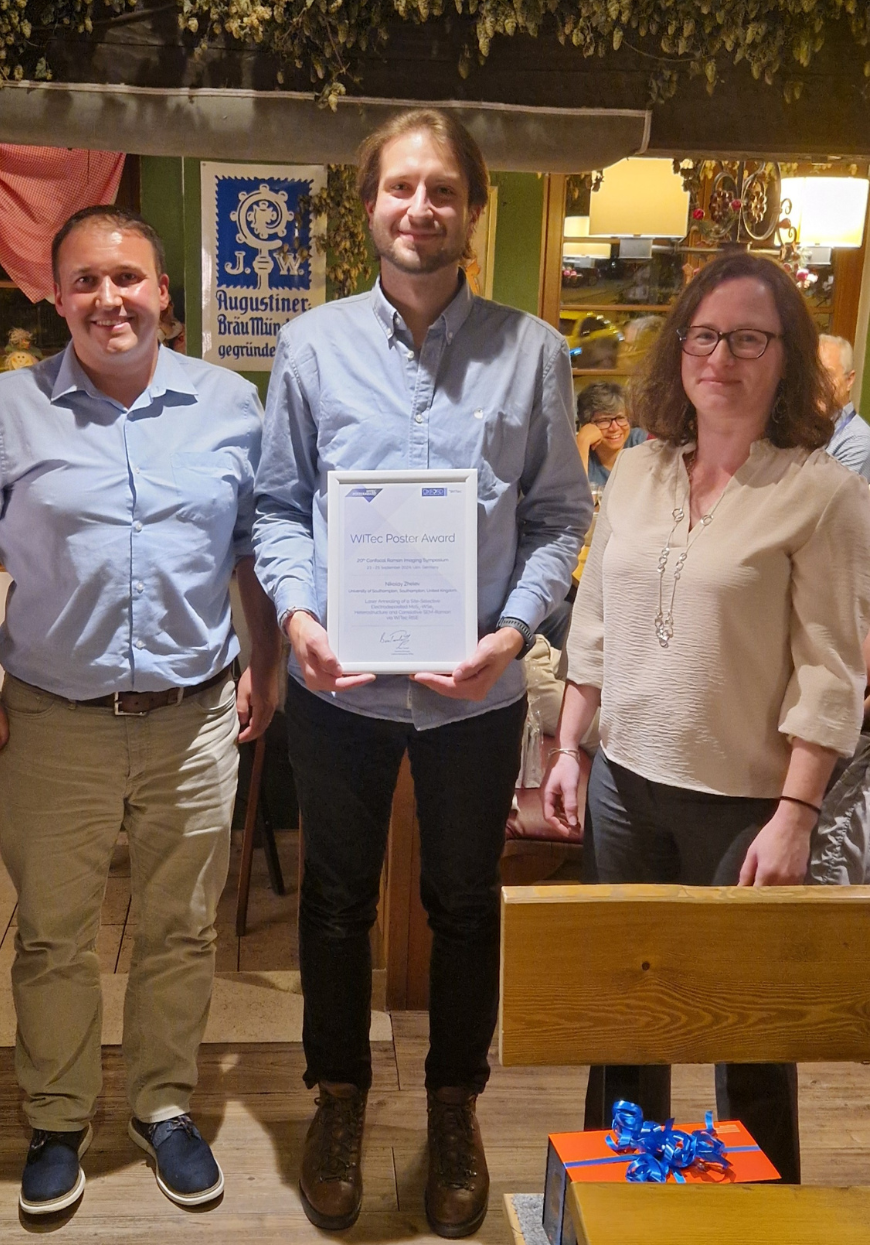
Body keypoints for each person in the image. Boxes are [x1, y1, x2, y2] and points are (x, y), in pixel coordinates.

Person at [252, 109, 591, 1238]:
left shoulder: (533, 351)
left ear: (471, 208)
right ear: (368, 209)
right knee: (335, 905)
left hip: (474, 695)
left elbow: (555, 519)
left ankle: (455, 1105)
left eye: (442, 189)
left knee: (464, 904)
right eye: (400, 187)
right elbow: (277, 506)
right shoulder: (309, 348)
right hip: (340, 687)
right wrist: (297, 613)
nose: (420, 207)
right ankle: (337, 1098)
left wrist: (512, 631)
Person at [0, 205, 280, 1216]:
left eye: (127, 277)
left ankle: (162, 1107)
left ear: (164, 291)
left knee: (179, 929)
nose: (108, 297)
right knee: (54, 934)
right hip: (54, 722)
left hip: (194, 718)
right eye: (85, 281)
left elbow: (256, 548)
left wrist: (267, 660)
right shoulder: (0, 411)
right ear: (56, 296)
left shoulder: (231, 407)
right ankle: (58, 1116)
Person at [543, 250, 870, 1186]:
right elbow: (596, 620)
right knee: (625, 1027)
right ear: (679, 349)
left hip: (747, 810)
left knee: (750, 1036)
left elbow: (831, 669)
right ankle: (614, 1206)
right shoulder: (641, 470)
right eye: (705, 335)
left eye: (749, 339)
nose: (721, 356)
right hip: (622, 792)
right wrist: (570, 747)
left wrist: (797, 815)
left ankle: (757, 1219)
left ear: (786, 357)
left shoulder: (823, 492)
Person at [574, 381, 648, 487]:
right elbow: (574, 498)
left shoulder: (641, 441)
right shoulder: (581, 451)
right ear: (587, 424)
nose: (614, 428)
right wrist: (583, 442)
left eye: (620, 418)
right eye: (604, 420)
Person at [819, 333, 870, 481]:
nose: (818, 383)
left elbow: (825, 498)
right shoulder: (802, 425)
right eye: (812, 374)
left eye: (826, 375)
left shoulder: (859, 440)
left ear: (849, 380)